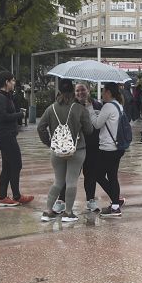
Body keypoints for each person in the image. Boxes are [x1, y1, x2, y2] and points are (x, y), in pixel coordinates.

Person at [37, 79, 94, 223]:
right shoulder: (80, 109)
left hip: (57, 151)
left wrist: (49, 142)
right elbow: (89, 130)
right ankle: (68, 213)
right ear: (72, 91)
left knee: (58, 181)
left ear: (60, 92)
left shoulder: (51, 108)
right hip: (77, 149)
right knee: (71, 181)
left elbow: (40, 127)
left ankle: (48, 211)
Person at [0, 71, 33, 208]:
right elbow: (2, 117)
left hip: (7, 135)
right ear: (6, 82)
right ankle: (15, 195)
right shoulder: (0, 97)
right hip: (5, 136)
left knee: (8, 167)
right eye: (12, 81)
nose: (14, 83)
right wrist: (19, 114)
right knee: (16, 164)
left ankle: (4, 197)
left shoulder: (4, 96)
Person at [89, 82, 127, 218]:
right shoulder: (118, 105)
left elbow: (97, 124)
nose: (102, 94)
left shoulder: (108, 106)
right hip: (117, 146)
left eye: (103, 91)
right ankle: (116, 203)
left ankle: (116, 204)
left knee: (98, 174)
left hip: (108, 148)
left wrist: (89, 109)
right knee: (112, 176)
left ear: (109, 92)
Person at [66, 83, 105, 213]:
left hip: (92, 145)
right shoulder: (71, 106)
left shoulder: (96, 105)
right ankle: (62, 200)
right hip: (75, 146)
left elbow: (99, 124)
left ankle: (90, 200)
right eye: (77, 90)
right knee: (71, 175)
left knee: (90, 174)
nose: (80, 93)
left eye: (83, 90)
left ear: (88, 91)